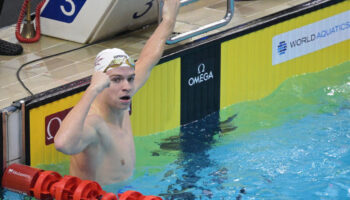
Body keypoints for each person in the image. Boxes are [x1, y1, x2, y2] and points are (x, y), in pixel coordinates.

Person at [54, 0, 180, 186]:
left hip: (127, 192)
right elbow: (63, 144)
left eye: (129, 78)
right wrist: (91, 91)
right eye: (116, 80)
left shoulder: (121, 97)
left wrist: (168, 21)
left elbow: (148, 58)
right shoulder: (94, 123)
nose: (127, 86)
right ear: (101, 83)